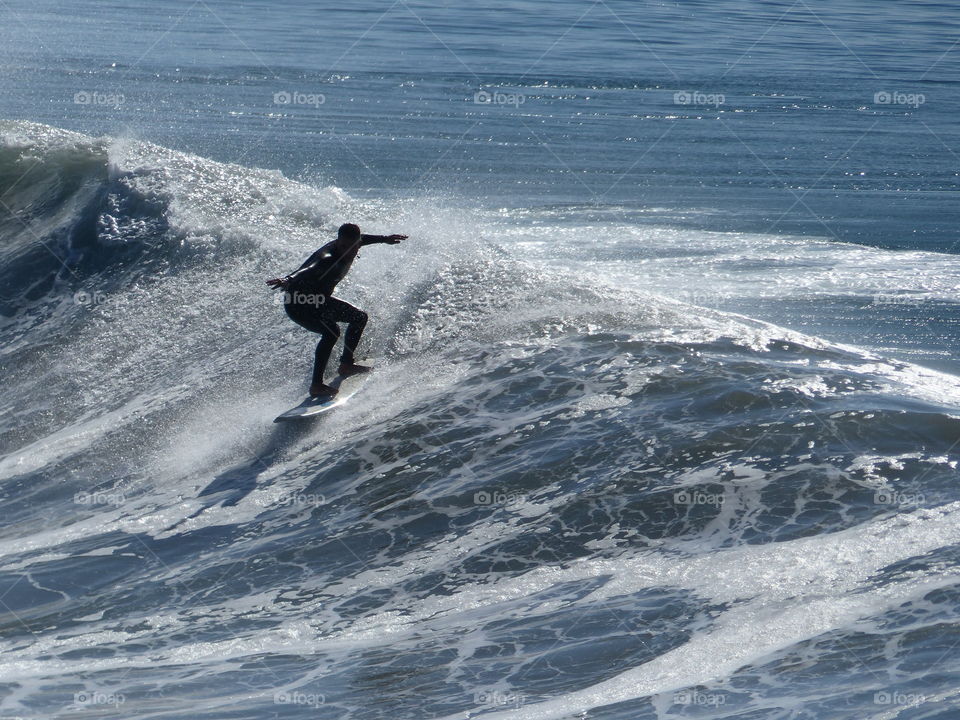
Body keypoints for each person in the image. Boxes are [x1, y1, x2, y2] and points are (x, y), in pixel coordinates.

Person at [267, 223, 407, 398]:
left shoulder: (355, 243)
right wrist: (288, 278)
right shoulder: (327, 256)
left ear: (357, 243)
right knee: (331, 332)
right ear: (338, 241)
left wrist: (384, 239)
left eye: (352, 246)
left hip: (319, 300)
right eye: (343, 246)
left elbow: (365, 238)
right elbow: (306, 268)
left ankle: (346, 364)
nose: (347, 250)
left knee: (359, 317)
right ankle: (316, 385)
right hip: (298, 303)